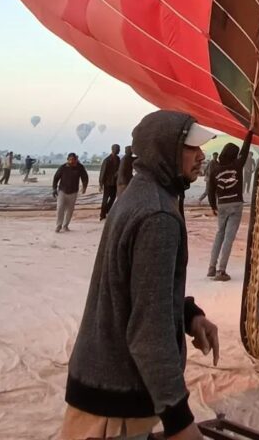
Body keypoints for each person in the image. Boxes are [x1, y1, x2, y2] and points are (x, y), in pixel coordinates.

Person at [60, 111, 220, 440]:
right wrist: (179, 422)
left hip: (99, 377)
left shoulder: (139, 194)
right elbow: (150, 332)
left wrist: (188, 314)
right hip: (116, 399)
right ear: (166, 150)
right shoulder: (158, 214)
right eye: (192, 148)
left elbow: (134, 288)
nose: (201, 156)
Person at [206, 131, 254, 282]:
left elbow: (210, 189)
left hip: (222, 205)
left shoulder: (214, 169)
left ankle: (211, 268)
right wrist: (250, 133)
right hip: (236, 204)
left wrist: (213, 205)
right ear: (234, 155)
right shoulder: (237, 165)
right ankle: (221, 271)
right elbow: (245, 151)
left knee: (219, 234)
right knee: (229, 238)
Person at [52, 153, 89, 233]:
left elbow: (85, 177)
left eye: (73, 159)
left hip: (73, 192)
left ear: (76, 159)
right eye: (70, 160)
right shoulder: (63, 167)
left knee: (70, 210)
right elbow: (56, 178)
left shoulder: (80, 167)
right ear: (68, 160)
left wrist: (84, 187)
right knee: (60, 208)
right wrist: (54, 188)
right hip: (62, 191)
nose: (72, 161)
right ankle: (59, 225)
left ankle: (65, 225)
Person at [99, 143, 121, 220]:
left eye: (119, 149)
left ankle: (107, 210)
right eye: (117, 149)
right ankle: (102, 215)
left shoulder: (118, 159)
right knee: (105, 199)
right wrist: (101, 183)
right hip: (107, 183)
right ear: (113, 149)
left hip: (114, 182)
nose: (119, 150)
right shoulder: (107, 160)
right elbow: (102, 172)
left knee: (113, 197)